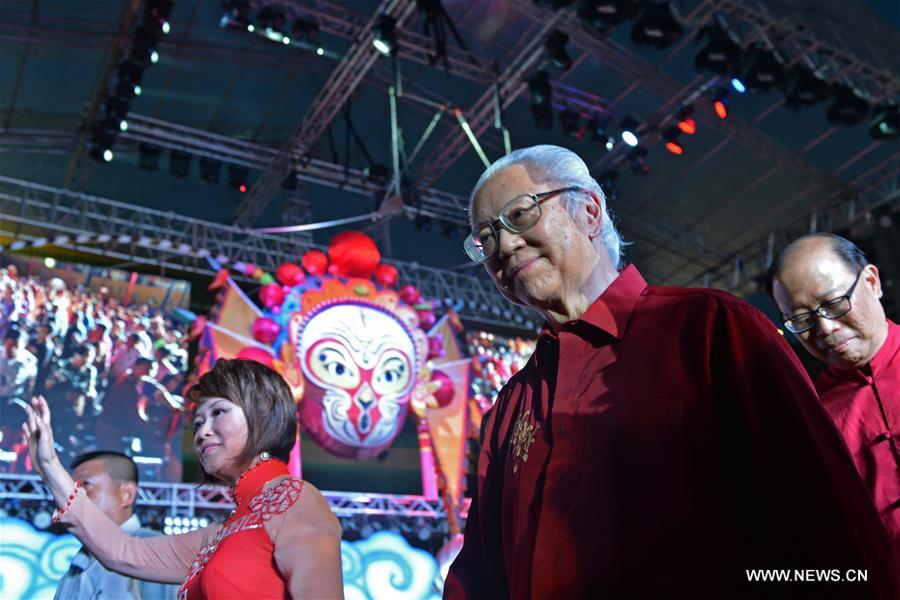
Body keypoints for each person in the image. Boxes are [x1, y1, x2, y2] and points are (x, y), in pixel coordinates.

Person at [445, 145, 897, 598]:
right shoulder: (510, 407)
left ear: (588, 210)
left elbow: (824, 521)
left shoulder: (711, 329)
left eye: (520, 215)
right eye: (485, 238)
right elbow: (481, 574)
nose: (503, 245)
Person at [24, 358, 344, 599]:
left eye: (218, 412)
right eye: (198, 421)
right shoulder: (223, 534)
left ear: (261, 414)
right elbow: (123, 552)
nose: (202, 431)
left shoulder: (293, 499)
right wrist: (50, 464)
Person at [767, 233, 899, 549]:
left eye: (835, 303)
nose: (825, 329)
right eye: (801, 319)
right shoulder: (813, 423)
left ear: (871, 281)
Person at [54, 451, 178, 600]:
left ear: (127, 494)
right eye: (73, 489)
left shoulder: (156, 550)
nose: (74, 496)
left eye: (85, 485)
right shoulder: (76, 565)